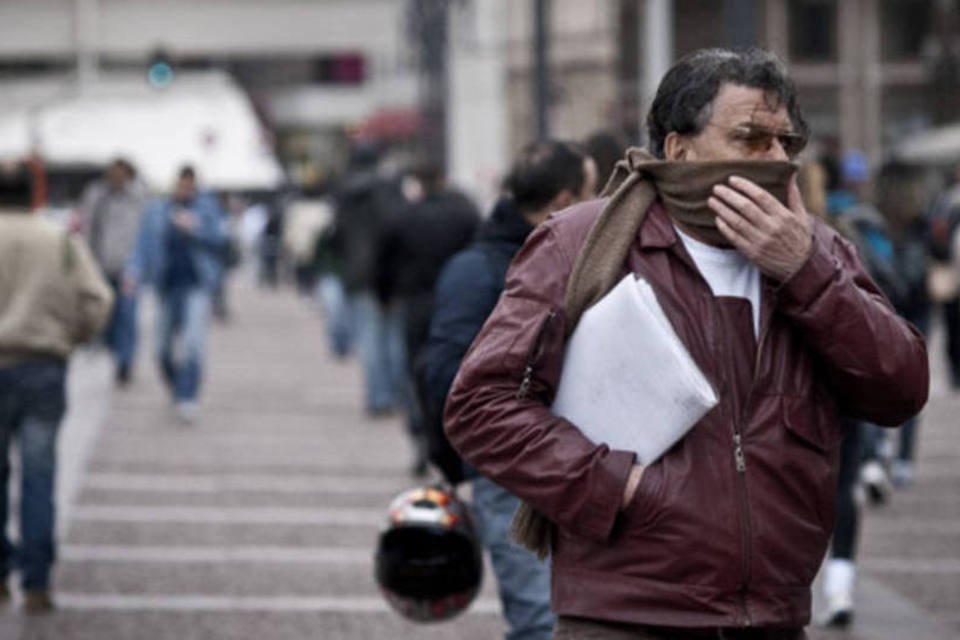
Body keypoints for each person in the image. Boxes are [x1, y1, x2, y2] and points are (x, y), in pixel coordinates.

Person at [444, 48, 928, 638]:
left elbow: (901, 387)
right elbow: (479, 406)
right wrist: (617, 485)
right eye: (750, 138)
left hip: (773, 615)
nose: (775, 159)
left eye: (785, 142)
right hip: (628, 614)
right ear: (678, 149)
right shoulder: (581, 243)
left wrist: (805, 271)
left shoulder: (820, 251)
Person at [424, 139, 596, 640]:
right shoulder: (480, 270)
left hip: (575, 462)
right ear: (565, 200)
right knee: (540, 621)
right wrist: (461, 463)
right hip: (510, 467)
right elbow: (444, 378)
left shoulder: (566, 260)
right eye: (591, 191)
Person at [0, 161, 113, 611]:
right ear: (34, 195)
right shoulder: (58, 240)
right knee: (40, 475)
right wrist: (73, 336)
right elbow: (98, 300)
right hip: (44, 365)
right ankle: (37, 579)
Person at [375, 162, 481, 476]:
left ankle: (421, 435)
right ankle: (454, 437)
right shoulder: (465, 215)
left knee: (416, 374)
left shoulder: (404, 216)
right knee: (457, 370)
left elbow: (383, 261)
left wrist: (384, 297)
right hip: (457, 302)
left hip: (415, 304)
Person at [127, 166, 227, 424]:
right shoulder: (158, 210)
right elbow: (142, 243)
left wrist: (195, 227)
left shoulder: (206, 208)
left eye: (190, 186)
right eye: (182, 185)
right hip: (166, 286)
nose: (185, 190)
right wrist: (134, 271)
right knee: (161, 349)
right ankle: (176, 387)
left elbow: (222, 239)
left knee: (193, 344)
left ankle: (188, 395)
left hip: (196, 284)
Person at [330, 143, 406, 416]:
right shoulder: (388, 188)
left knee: (370, 338)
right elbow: (398, 228)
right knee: (394, 337)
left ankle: (377, 396)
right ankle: (397, 395)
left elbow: (336, 235)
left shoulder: (344, 192)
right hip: (390, 272)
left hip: (358, 273)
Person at [77, 158, 147, 385]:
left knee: (127, 315)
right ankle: (107, 347)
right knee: (105, 313)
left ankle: (125, 363)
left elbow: (144, 233)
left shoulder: (138, 197)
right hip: (101, 264)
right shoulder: (97, 195)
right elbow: (87, 227)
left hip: (129, 267)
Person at [925, 164, 960, 389]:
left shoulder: (947, 200)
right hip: (951, 271)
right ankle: (956, 369)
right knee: (952, 322)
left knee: (953, 324)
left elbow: (936, 232)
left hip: (951, 269)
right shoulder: (949, 200)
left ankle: (956, 369)